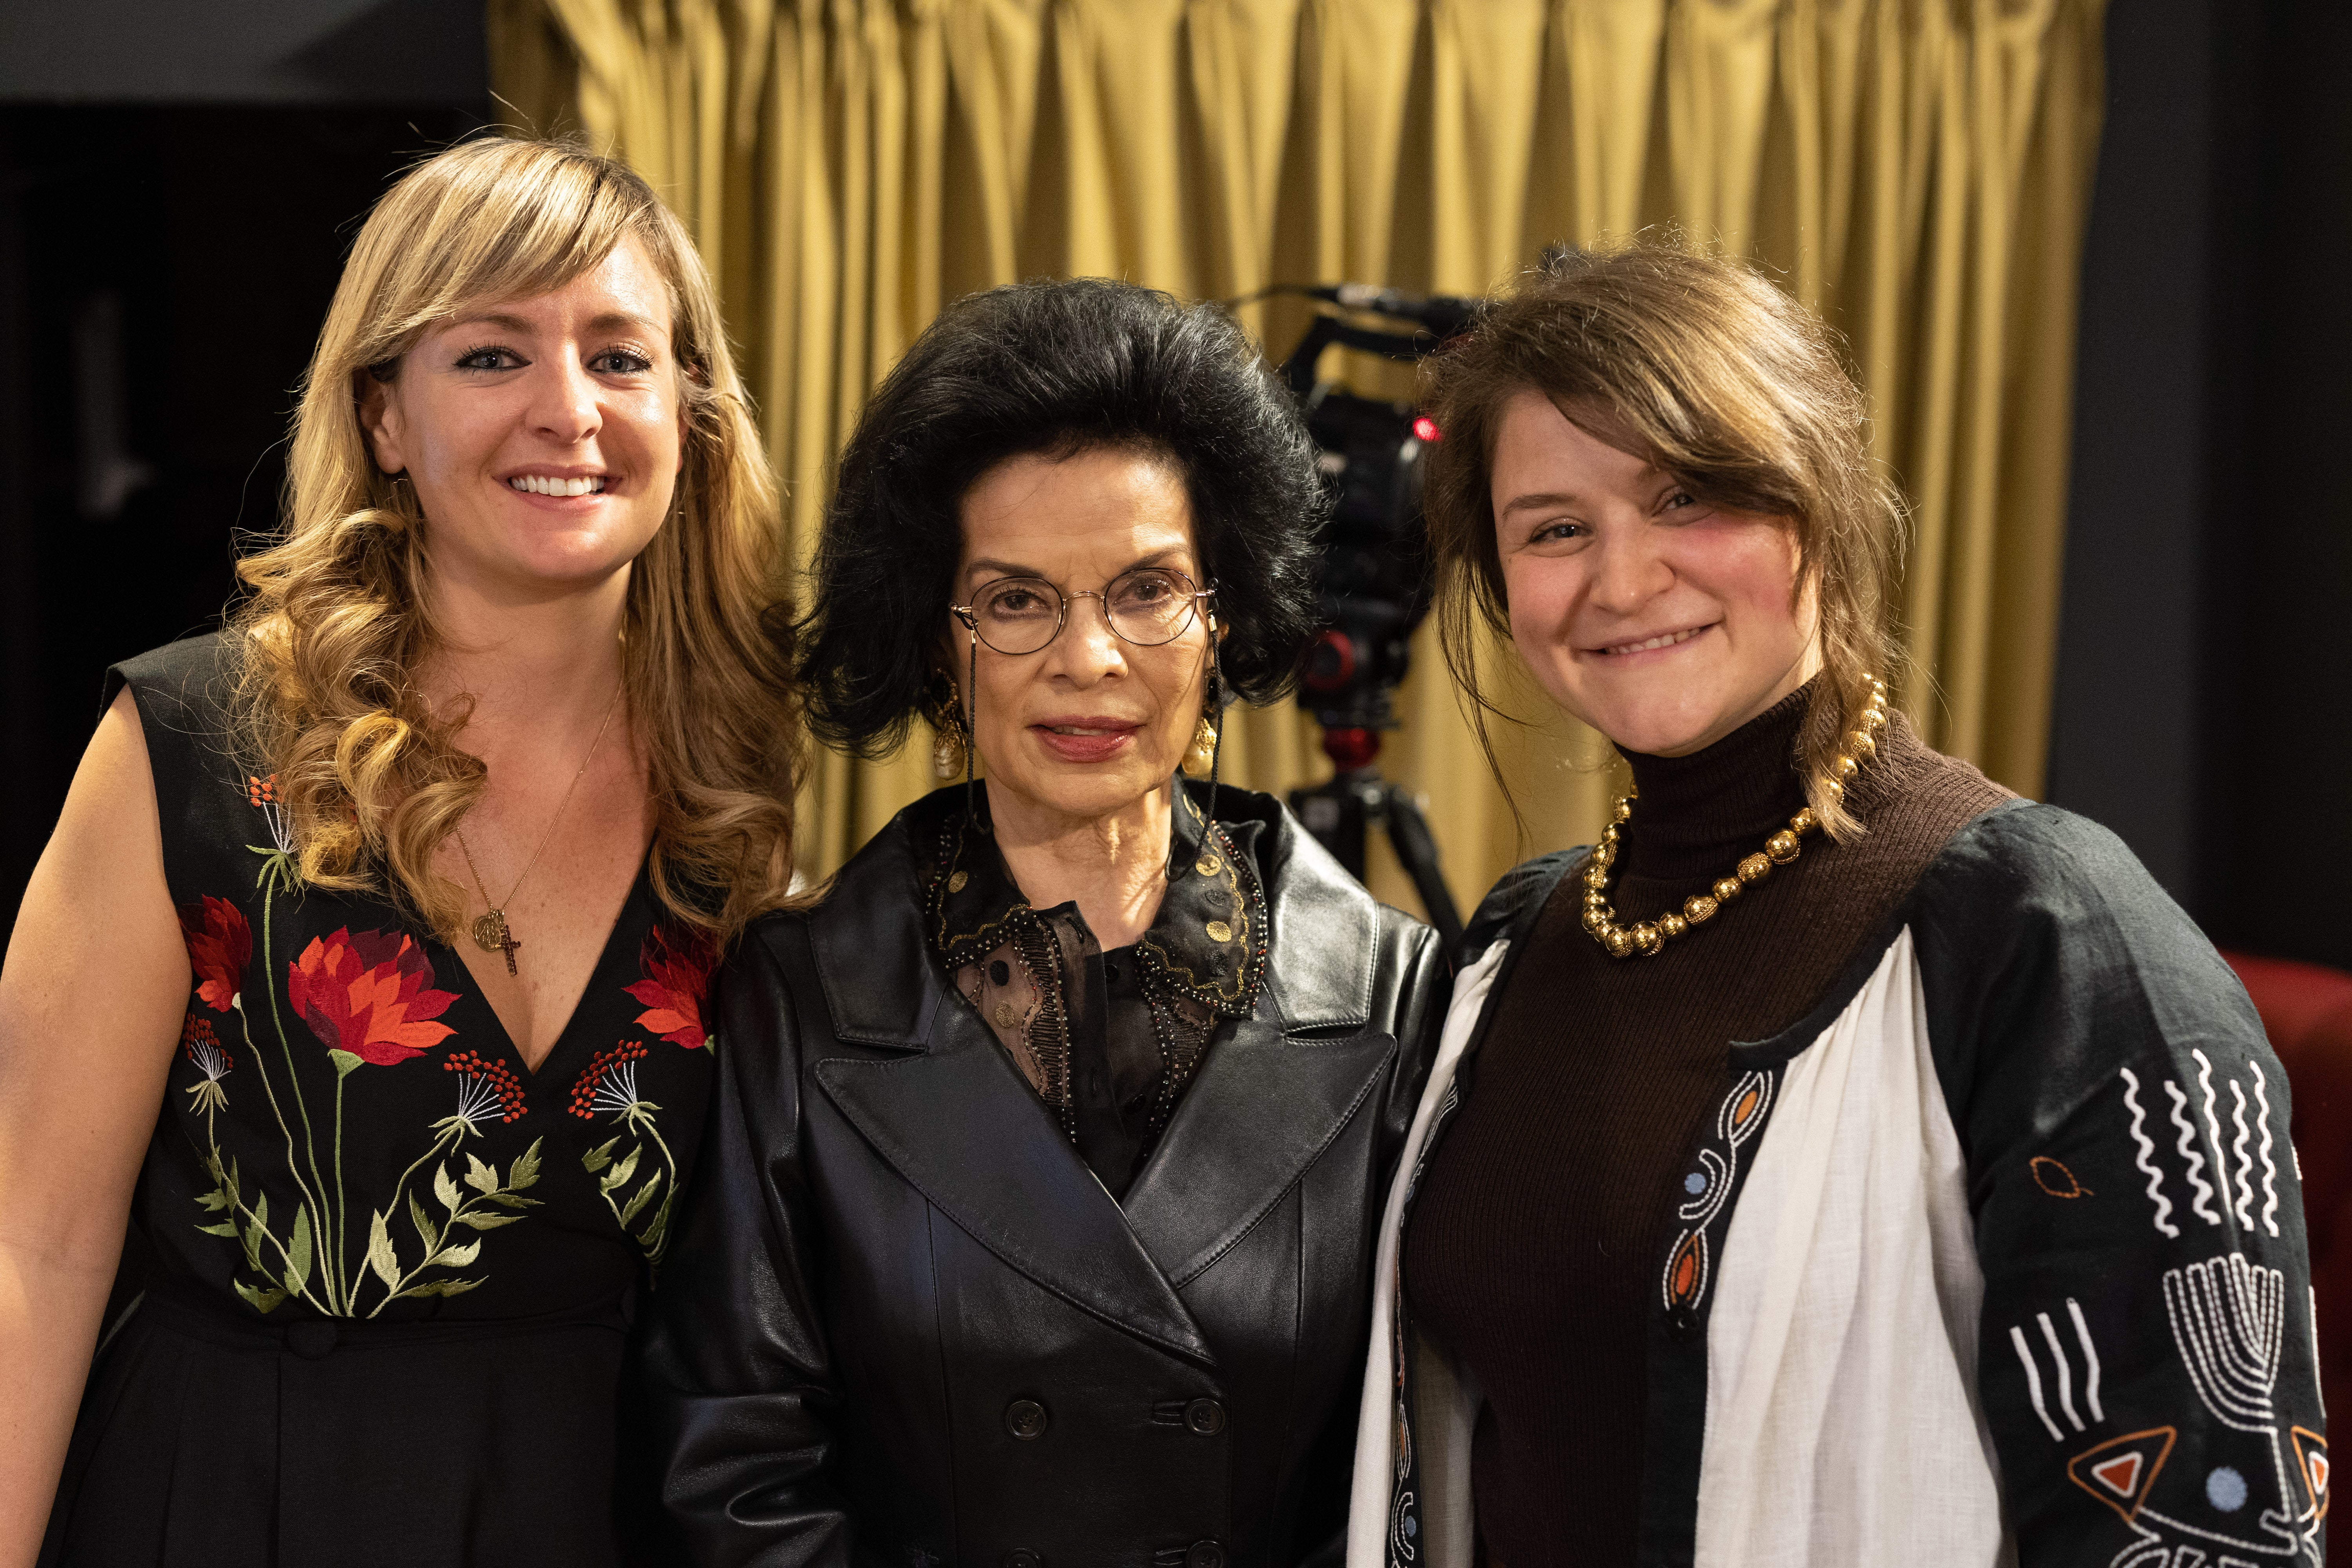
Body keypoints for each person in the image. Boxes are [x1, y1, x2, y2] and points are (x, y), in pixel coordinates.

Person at [1345, 245, 2328, 1568]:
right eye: (1556, 527)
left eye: (1689, 498)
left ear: (1815, 501)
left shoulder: (2045, 935)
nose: (1624, 579)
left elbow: (2215, 1528)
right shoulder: (1520, 951)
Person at [0, 135, 802, 1567]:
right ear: (383, 415)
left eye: (620, 356)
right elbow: (31, 1248)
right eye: (492, 356)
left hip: (606, 1516)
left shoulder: (734, 797)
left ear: (691, 412)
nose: (570, 411)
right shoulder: (187, 745)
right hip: (228, 1506)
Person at [645, 278, 1446, 1566]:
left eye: (1147, 590)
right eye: (1017, 600)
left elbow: (1418, 1465)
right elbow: (736, 1470)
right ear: (935, 637)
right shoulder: (793, 1000)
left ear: (1222, 614)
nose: (1090, 658)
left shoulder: (1398, 996)